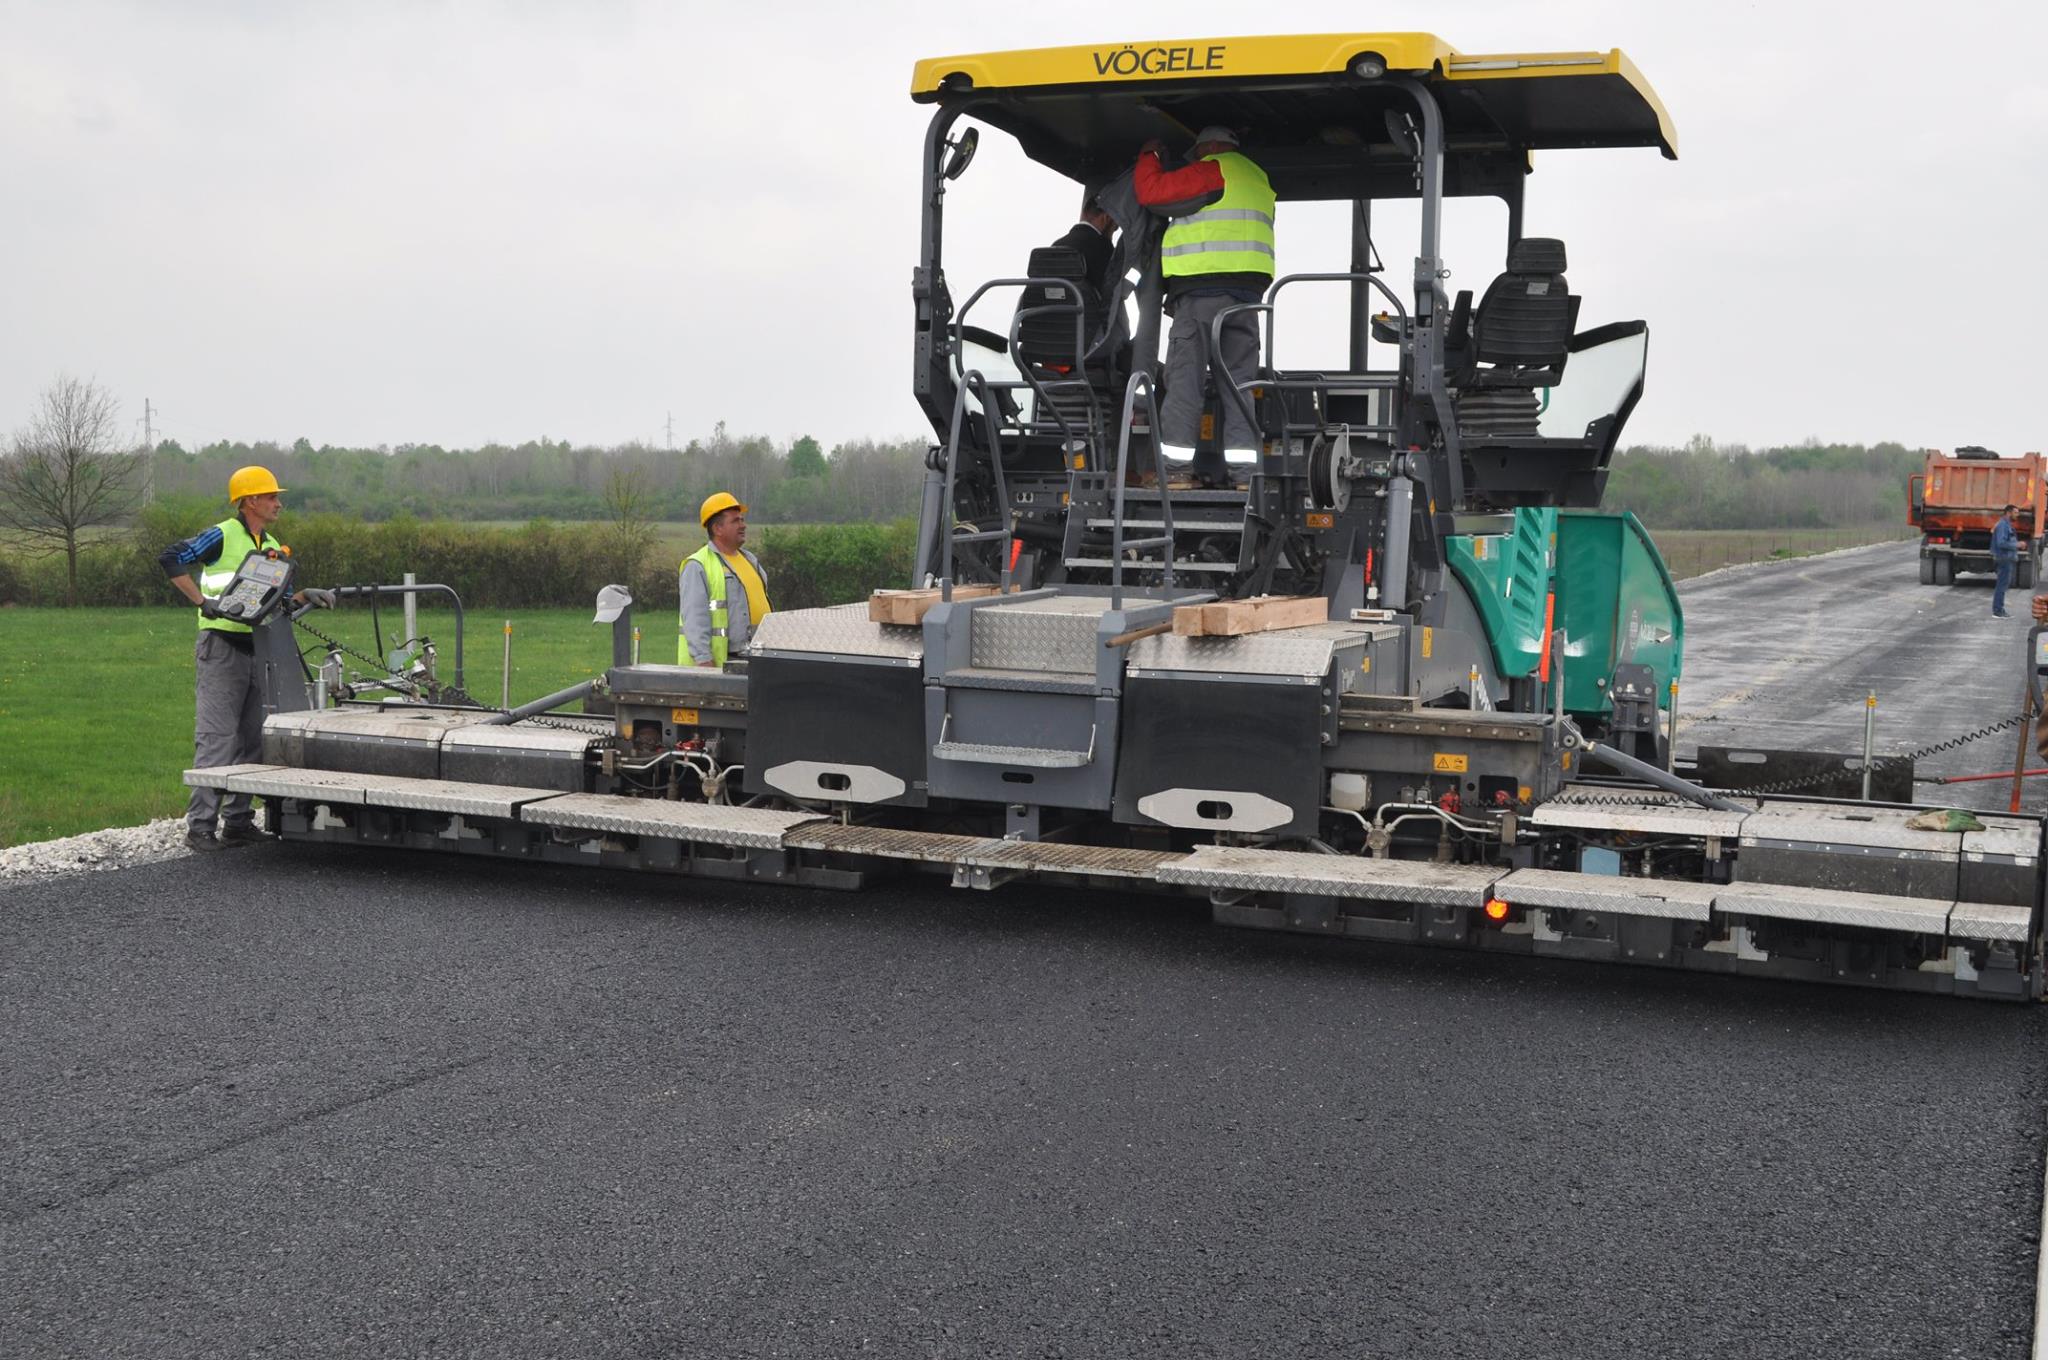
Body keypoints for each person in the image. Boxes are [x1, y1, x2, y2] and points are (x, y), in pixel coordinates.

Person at [159, 465, 334, 853]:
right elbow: (170, 558)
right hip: (221, 648)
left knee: (254, 740)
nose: (278, 504)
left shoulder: (271, 543)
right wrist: (203, 602)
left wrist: (305, 596)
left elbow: (276, 602)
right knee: (217, 740)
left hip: (258, 648)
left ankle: (237, 822)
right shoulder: (221, 535)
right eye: (271, 497)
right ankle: (200, 828)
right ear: (250, 500)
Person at [1134, 125, 1276, 468]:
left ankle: (1175, 471)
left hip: (1202, 293)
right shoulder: (1258, 178)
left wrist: (1149, 156)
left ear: (1210, 147)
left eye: (1197, 153)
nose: (1195, 159)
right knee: (1240, 385)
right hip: (1247, 298)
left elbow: (1151, 193)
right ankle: (1244, 474)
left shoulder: (1213, 170)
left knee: (1186, 381)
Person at [679, 492, 771, 668]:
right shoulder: (697, 565)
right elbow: (694, 618)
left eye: (742, 520)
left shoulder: (750, 559)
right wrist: (703, 659)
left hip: (758, 656)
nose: (743, 525)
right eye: (735, 521)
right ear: (717, 529)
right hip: (727, 661)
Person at [1992, 504, 2020, 617]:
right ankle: (1998, 611)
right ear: (2008, 513)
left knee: (2003, 585)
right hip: (2004, 558)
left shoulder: (2006, 524)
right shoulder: (2003, 525)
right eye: (2015, 512)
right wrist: (2017, 544)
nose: (2017, 515)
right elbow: (2001, 543)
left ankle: (1999, 609)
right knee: (2002, 585)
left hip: (2006, 558)